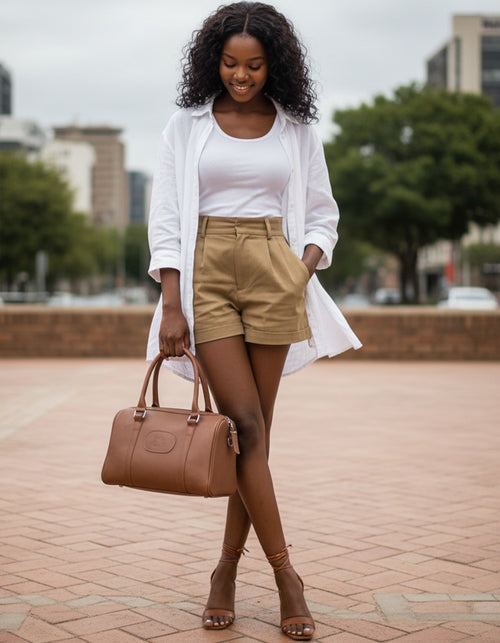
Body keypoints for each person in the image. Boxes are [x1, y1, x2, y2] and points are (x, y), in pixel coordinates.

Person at [147, 2, 361, 639]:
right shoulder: (186, 126)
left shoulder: (296, 128)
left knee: (253, 437)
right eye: (230, 63)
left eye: (255, 65)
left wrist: (303, 266)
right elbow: (166, 218)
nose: (242, 76)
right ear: (213, 60)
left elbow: (323, 212)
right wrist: (170, 301)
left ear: (276, 65)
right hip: (205, 270)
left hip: (275, 270)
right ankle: (287, 577)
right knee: (240, 423)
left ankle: (224, 572)